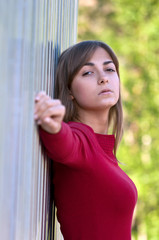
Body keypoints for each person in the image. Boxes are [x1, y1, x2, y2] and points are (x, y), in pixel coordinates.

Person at [34, 40, 138, 240]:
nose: (103, 79)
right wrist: (53, 126)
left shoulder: (102, 149)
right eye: (87, 72)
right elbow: (65, 144)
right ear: (70, 91)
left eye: (109, 69)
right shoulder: (80, 138)